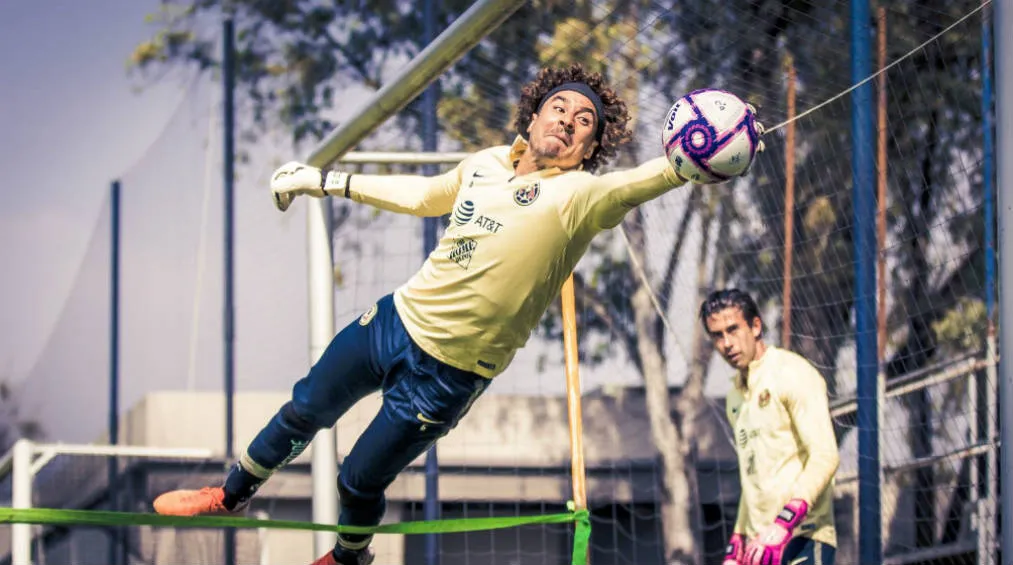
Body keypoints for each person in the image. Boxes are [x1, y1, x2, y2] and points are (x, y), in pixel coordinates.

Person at [152, 63, 760, 565]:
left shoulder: (580, 197)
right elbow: (420, 196)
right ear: (535, 113)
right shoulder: (486, 162)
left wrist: (689, 163)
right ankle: (230, 495)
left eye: (584, 123)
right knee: (305, 408)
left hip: (449, 375)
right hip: (395, 320)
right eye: (561, 108)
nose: (569, 122)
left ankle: (347, 558)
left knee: (357, 481)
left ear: (589, 148)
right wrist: (325, 180)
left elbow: (639, 182)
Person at [700, 289, 839, 565]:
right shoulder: (734, 398)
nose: (727, 343)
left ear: (755, 326)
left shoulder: (792, 373)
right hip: (759, 547)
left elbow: (826, 456)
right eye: (718, 335)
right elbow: (752, 479)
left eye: (733, 329)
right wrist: (736, 542)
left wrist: (784, 522)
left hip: (803, 539)